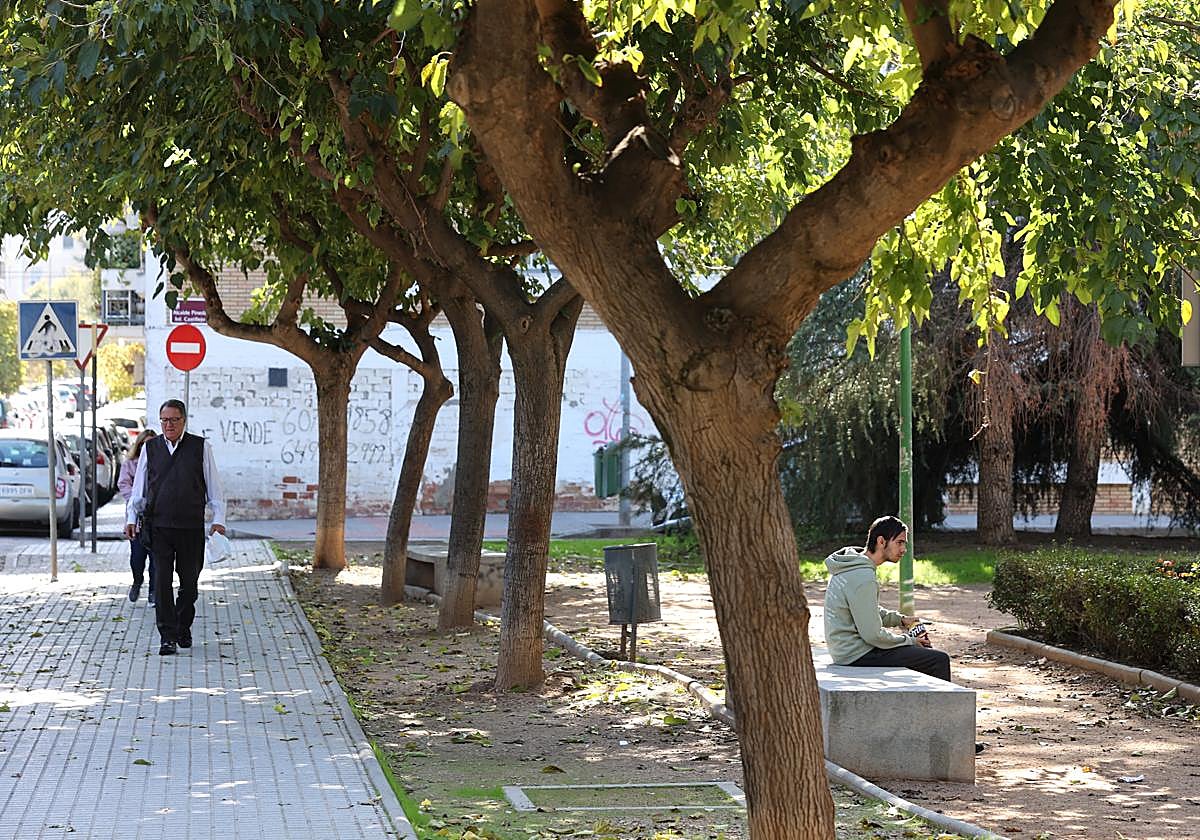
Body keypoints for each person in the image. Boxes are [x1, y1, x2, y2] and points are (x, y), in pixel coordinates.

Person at [124, 400, 226, 656]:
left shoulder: (200, 447)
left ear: (183, 421)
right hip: (159, 526)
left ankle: (183, 625)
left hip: (190, 526)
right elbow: (139, 488)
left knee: (189, 583)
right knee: (161, 582)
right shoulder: (151, 447)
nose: (168, 425)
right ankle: (167, 635)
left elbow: (214, 486)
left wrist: (218, 519)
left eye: (173, 420)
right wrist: (131, 518)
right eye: (164, 420)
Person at [823, 515, 952, 682]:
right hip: (856, 654)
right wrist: (909, 641)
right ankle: (936, 708)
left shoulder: (851, 565)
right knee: (938, 660)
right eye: (899, 542)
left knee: (923, 656)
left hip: (844, 650)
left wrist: (901, 620)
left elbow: (866, 610)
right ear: (881, 541)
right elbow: (873, 635)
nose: (904, 549)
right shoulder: (863, 577)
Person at [118, 428, 158, 606]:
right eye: (143, 444)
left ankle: (154, 592)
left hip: (157, 516)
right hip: (137, 518)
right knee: (137, 557)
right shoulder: (130, 464)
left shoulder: (161, 462)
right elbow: (124, 484)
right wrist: (135, 499)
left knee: (156, 559)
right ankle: (137, 580)